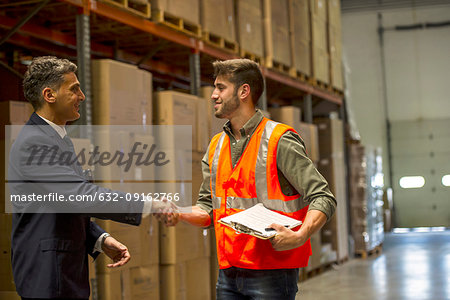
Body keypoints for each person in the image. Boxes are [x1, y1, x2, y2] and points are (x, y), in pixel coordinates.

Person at [159, 58, 337, 299]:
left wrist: (300, 235)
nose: (213, 95)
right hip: (229, 271)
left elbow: (323, 197)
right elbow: (209, 209)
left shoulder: (279, 139)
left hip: (271, 272)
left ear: (244, 91)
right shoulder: (216, 146)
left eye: (221, 87)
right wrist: (179, 212)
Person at [7, 56, 168, 300]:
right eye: (74, 89)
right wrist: (149, 204)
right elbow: (80, 196)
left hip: (61, 271)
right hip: (48, 277)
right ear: (49, 95)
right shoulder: (35, 142)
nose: (82, 96)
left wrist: (100, 238)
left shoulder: (57, 139)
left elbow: (62, 204)